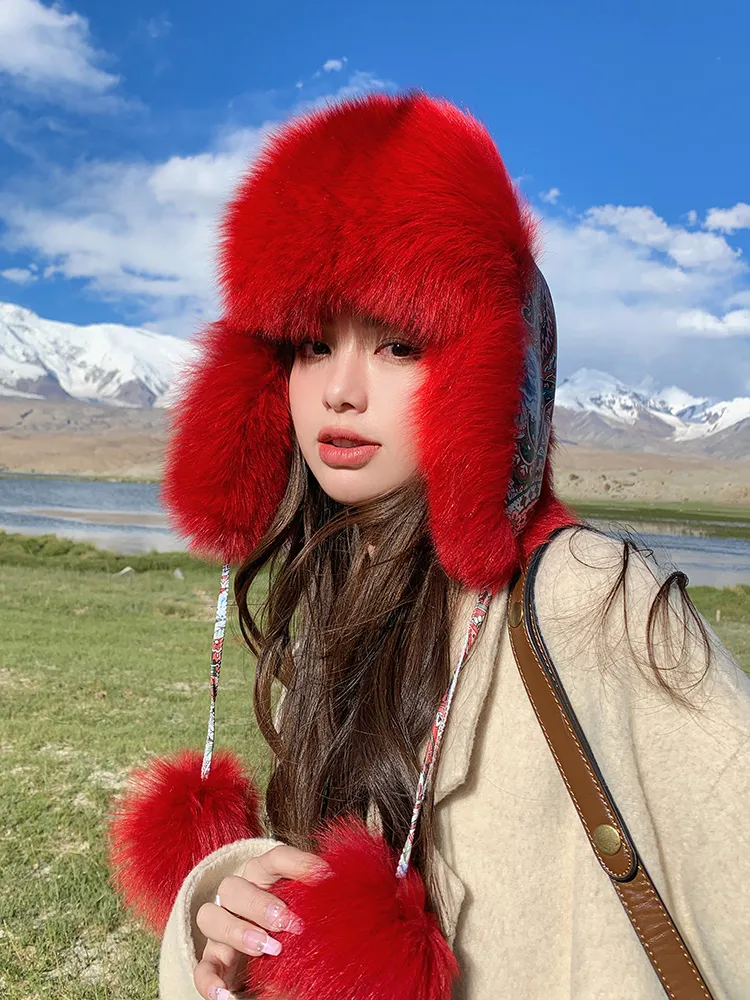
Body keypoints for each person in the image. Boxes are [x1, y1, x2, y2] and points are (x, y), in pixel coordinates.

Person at [108, 92, 750, 1000]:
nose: (341, 389)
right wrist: (236, 916)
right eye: (311, 344)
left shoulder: (586, 594)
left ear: (485, 373)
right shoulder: (340, 584)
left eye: (400, 343)